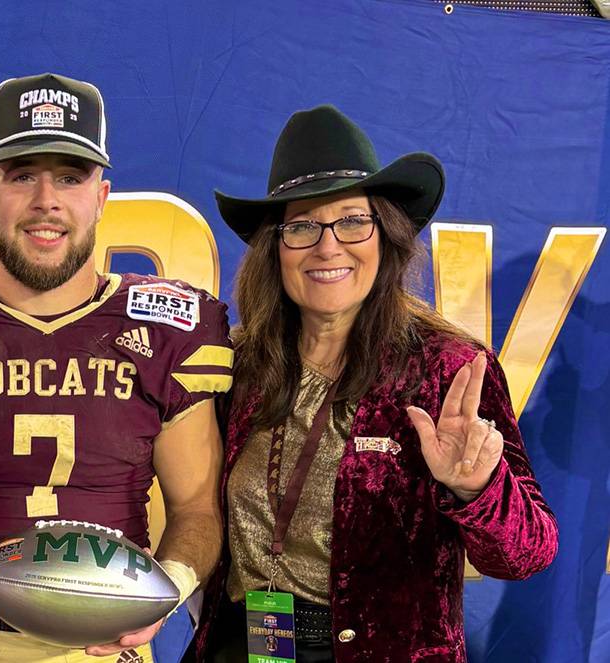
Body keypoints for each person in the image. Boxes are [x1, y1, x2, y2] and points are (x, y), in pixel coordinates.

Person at [186, 105, 558, 662]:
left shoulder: (446, 368)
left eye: (353, 220)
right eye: (303, 224)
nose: (328, 246)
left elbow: (527, 553)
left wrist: (476, 489)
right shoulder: (239, 364)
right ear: (275, 248)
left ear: (386, 236)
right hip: (243, 644)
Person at [0, 73, 230, 663]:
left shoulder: (170, 325)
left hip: (109, 649)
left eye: (70, 177)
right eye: (22, 175)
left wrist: (160, 593)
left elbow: (197, 509)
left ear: (100, 197)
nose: (47, 200)